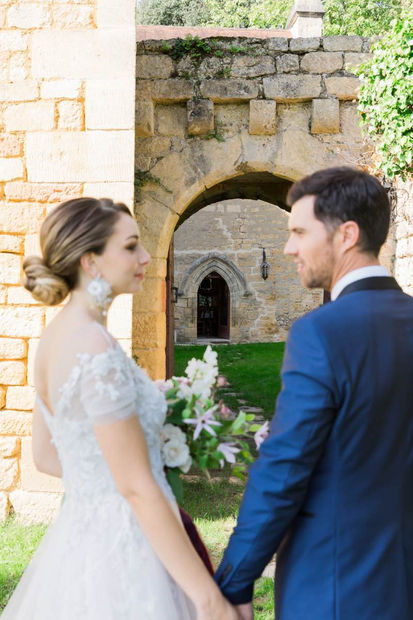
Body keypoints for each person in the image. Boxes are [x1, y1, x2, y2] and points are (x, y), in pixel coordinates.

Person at [2, 197, 238, 620]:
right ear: (91, 260)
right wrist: (209, 599)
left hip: (78, 546)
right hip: (127, 551)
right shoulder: (94, 345)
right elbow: (135, 485)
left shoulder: (53, 340)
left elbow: (47, 457)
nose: (146, 257)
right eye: (130, 246)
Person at [215, 167, 413, 619]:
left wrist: (235, 580)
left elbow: (284, 469)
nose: (289, 247)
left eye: (300, 232)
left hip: (336, 585)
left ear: (346, 234)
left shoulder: (320, 334)